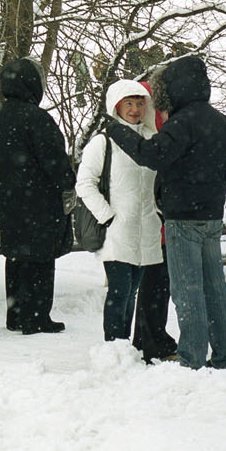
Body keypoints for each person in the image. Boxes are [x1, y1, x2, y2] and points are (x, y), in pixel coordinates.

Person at [106, 55, 226, 370]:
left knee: (187, 290)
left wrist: (118, 131)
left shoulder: (182, 122)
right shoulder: (221, 121)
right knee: (214, 288)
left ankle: (191, 359)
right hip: (211, 216)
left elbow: (152, 154)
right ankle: (224, 355)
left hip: (182, 218)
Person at [77, 79, 170, 360]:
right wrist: (108, 217)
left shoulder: (151, 140)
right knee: (120, 291)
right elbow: (84, 183)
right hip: (117, 231)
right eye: (128, 103)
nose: (135, 109)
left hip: (147, 231)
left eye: (139, 102)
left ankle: (124, 348)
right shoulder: (103, 142)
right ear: (116, 105)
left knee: (132, 292)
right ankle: (113, 349)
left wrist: (159, 212)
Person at [0, 57, 74, 334]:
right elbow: (55, 161)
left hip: (11, 197)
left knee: (16, 258)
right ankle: (36, 316)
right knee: (40, 258)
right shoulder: (37, 117)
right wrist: (67, 183)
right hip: (40, 200)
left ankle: (16, 313)